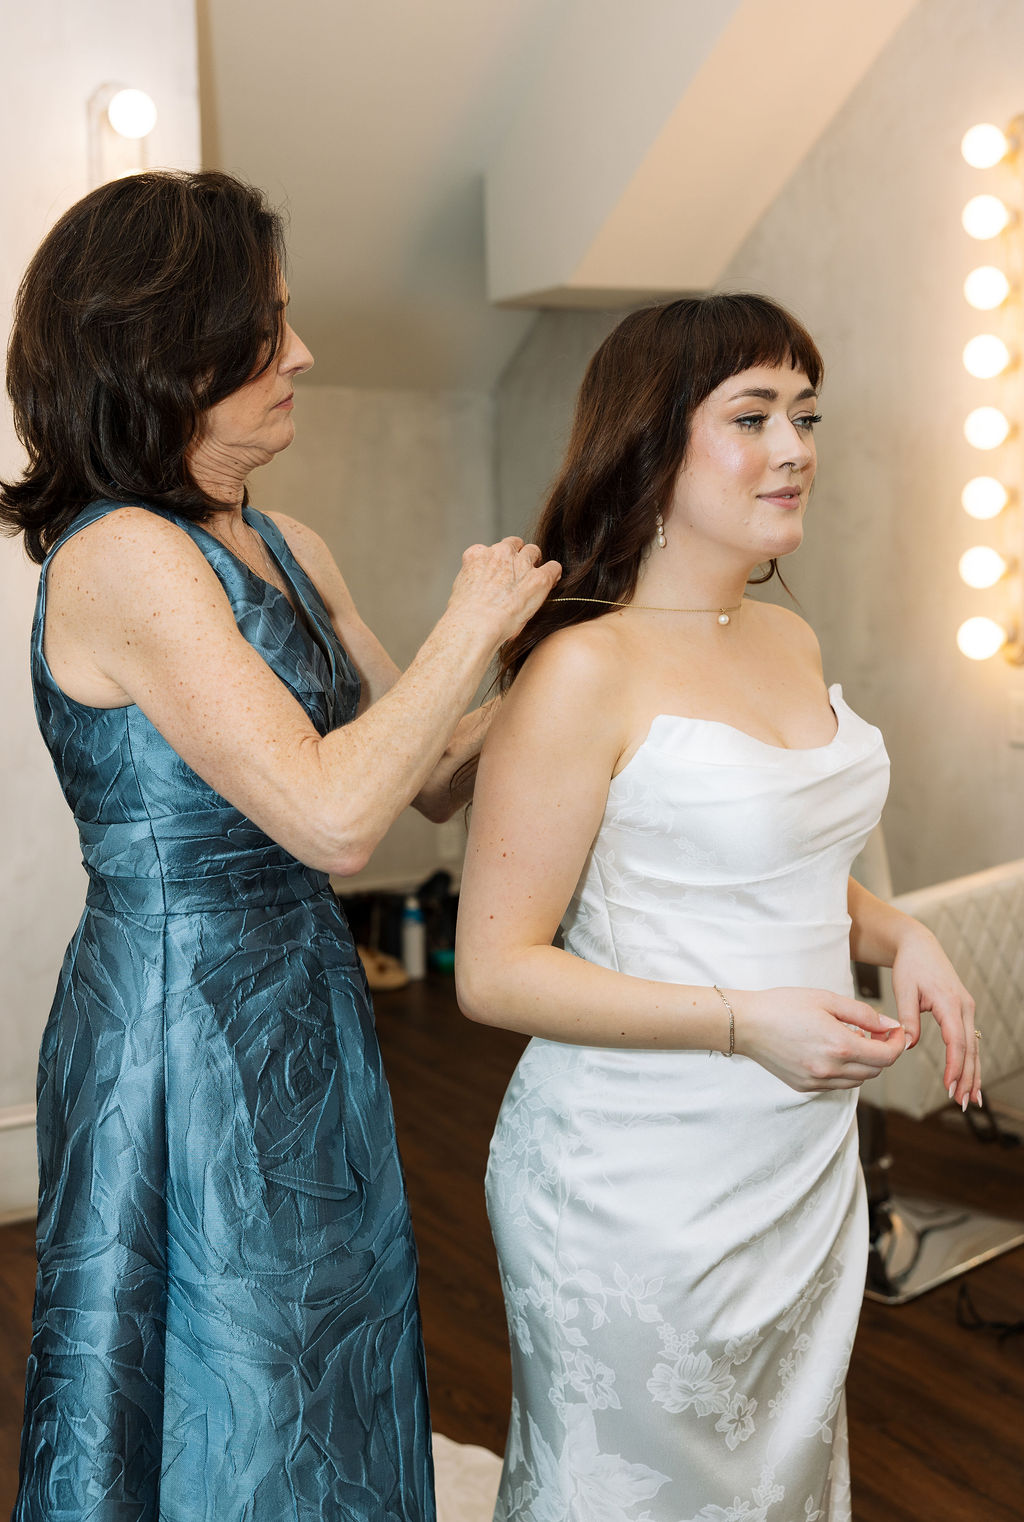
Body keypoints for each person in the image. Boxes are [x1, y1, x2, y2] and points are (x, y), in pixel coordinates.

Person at [0, 169, 559, 1521]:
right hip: (178, 1020)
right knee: (226, 1357)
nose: (303, 353)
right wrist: (464, 628)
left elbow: (417, 775)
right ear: (163, 345)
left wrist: (570, 648)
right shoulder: (123, 558)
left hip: (301, 993)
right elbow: (331, 814)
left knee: (332, 1329)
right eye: (271, 325)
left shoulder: (287, 543)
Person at [454, 294, 978, 1522]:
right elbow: (494, 969)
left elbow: (768, 861)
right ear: (649, 444)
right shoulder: (582, 669)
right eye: (751, 416)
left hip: (795, 1163)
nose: (795, 446)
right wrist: (749, 1021)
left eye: (804, 414)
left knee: (778, 1481)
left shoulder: (785, 638)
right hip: (635, 1184)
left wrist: (899, 930)